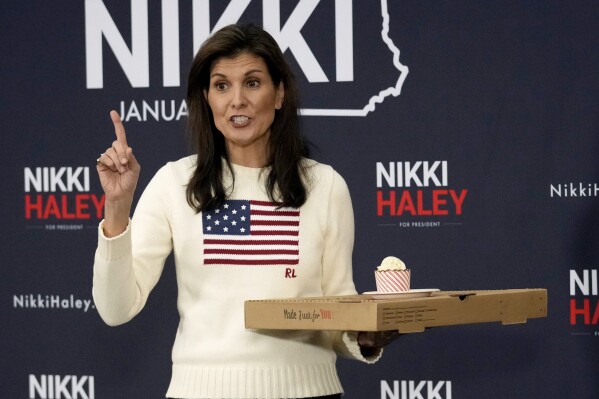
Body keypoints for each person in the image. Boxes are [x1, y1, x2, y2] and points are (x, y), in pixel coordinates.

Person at [93, 23, 398, 399]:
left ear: (279, 94)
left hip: (310, 392)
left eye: (252, 83)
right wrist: (117, 208)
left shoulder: (326, 186)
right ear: (207, 98)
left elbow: (337, 308)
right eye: (222, 85)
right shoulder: (174, 183)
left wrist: (365, 337)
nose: (237, 100)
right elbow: (115, 309)